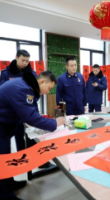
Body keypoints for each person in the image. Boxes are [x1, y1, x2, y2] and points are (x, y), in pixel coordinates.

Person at [0, 71, 65, 200]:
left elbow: (32, 110)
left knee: (6, 157)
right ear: (42, 82)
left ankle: (9, 183)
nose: (47, 92)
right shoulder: (23, 89)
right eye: (49, 88)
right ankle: (4, 195)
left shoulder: (28, 86)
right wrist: (54, 123)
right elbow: (31, 118)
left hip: (5, 125)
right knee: (1, 161)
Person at [0, 50, 53, 169]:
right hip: (8, 115)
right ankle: (21, 166)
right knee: (6, 150)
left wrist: (33, 112)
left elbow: (33, 95)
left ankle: (37, 162)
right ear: (16, 58)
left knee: (31, 138)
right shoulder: (6, 73)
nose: (25, 63)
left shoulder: (31, 73)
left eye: (27, 61)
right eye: (22, 60)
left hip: (21, 112)